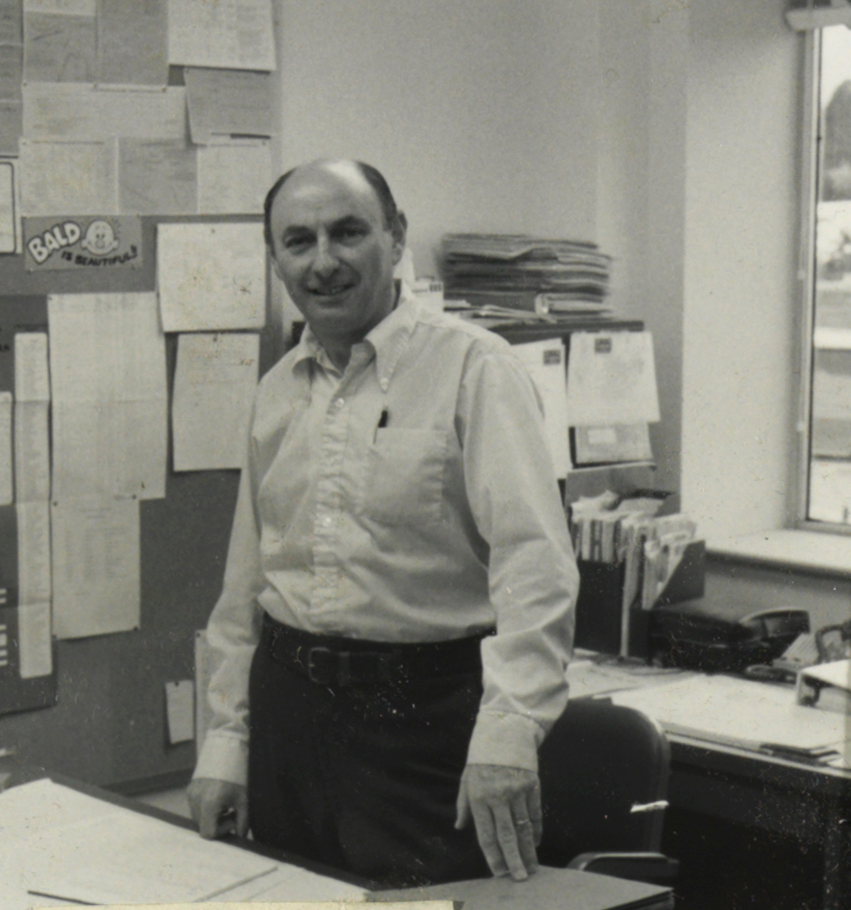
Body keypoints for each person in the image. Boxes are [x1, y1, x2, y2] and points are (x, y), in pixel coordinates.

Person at [186, 158, 578, 888]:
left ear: (395, 238)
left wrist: (508, 733)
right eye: (298, 241)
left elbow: (535, 567)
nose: (323, 261)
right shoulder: (277, 390)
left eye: (347, 232)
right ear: (275, 259)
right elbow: (246, 586)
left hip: (422, 722)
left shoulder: (475, 369)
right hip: (288, 716)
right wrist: (226, 744)